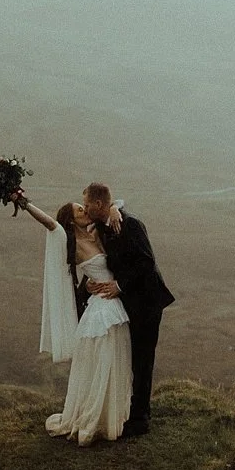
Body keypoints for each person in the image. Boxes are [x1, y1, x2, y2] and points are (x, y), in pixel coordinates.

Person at [13, 189, 133, 444]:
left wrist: (113, 209)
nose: (86, 211)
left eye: (85, 207)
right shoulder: (70, 243)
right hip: (101, 312)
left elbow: (113, 204)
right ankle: (91, 419)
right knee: (101, 363)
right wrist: (22, 202)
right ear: (70, 221)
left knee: (114, 362)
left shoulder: (97, 232)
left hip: (114, 304)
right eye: (80, 210)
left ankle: (109, 418)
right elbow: (48, 222)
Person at [80, 182, 174, 436]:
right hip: (130, 304)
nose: (85, 208)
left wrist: (120, 285)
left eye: (88, 203)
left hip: (147, 302)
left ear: (99, 204)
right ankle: (131, 410)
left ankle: (140, 418)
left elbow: (146, 261)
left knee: (143, 358)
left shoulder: (131, 225)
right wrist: (90, 284)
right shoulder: (102, 225)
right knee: (131, 357)